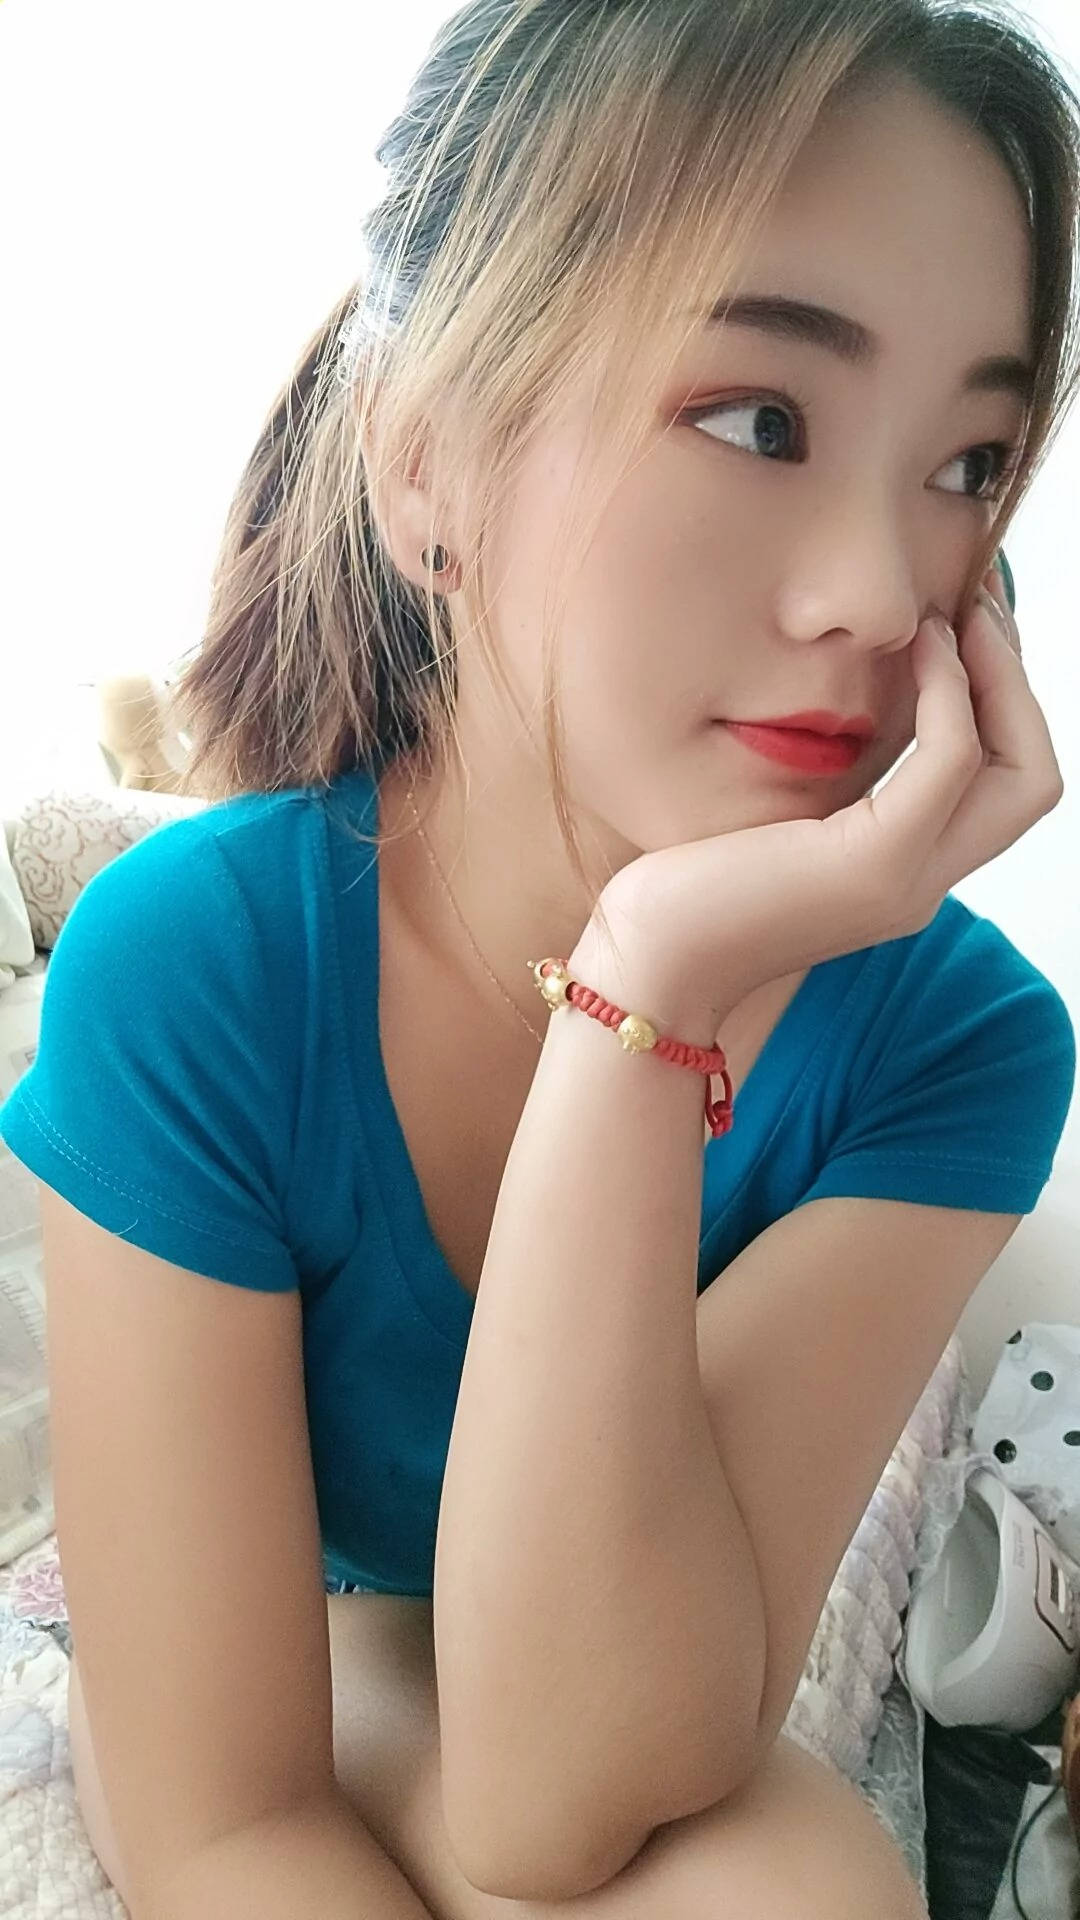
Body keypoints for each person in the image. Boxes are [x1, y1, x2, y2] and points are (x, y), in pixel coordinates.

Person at [2, 1, 1079, 1914]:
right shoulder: (200, 965)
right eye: (758, 419)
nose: (876, 593)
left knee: (789, 1880)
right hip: (277, 1631)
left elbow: (559, 1787)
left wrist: (644, 987)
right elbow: (221, 1813)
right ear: (428, 462)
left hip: (577, 1665)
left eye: (968, 461)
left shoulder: (960, 1044)